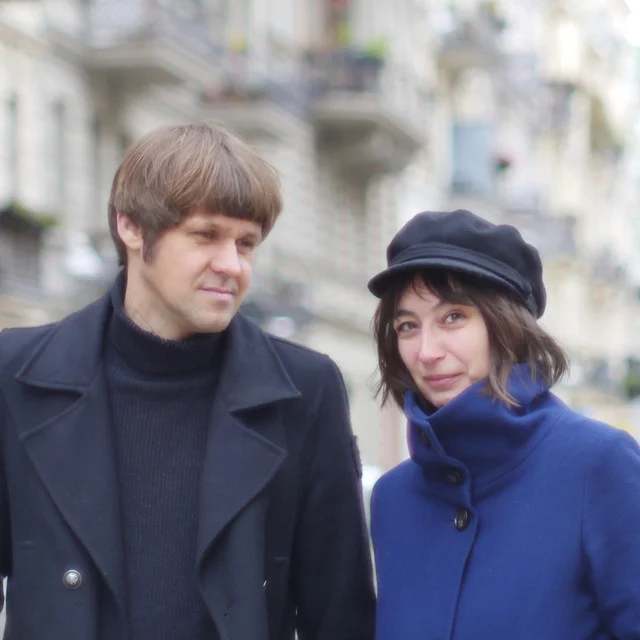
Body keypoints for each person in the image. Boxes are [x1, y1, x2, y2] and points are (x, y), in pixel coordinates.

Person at [0, 123, 376, 639]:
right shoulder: (17, 374)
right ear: (131, 227)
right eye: (206, 235)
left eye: (246, 243)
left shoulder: (305, 390)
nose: (232, 265)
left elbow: (340, 616)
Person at [367, 209, 640, 639]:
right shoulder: (393, 499)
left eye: (453, 317)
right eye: (407, 326)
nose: (427, 351)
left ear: (507, 325)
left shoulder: (598, 464)